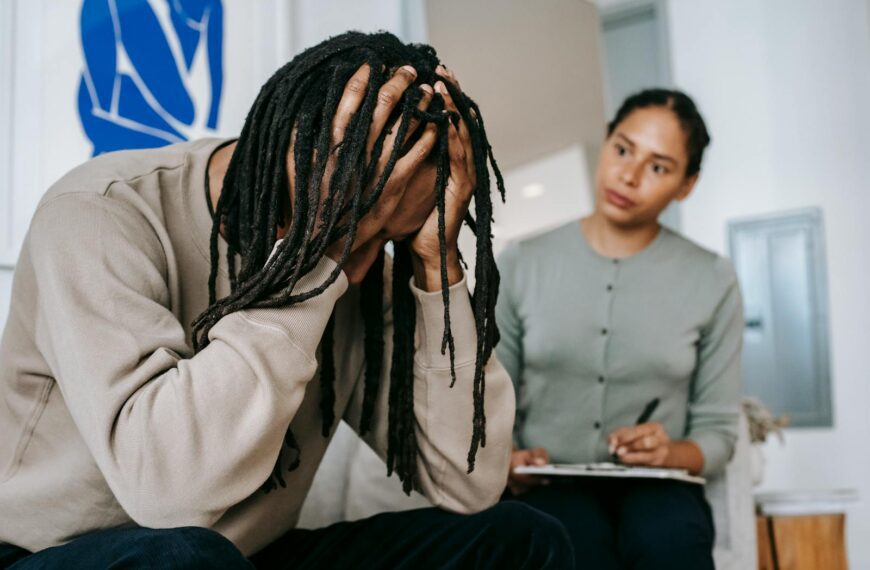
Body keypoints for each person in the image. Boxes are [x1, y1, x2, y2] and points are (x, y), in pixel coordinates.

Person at [0, 32, 572, 569]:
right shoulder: (98, 213)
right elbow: (166, 496)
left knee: (520, 538)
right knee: (185, 558)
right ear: (299, 159)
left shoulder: (366, 269)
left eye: (388, 239)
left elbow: (469, 483)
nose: (364, 265)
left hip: (246, 556)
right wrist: (320, 256)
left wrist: (436, 264)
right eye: (361, 231)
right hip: (58, 553)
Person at [497, 89, 743, 569]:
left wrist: (670, 452)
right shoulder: (521, 263)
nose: (629, 175)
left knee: (669, 539)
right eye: (623, 149)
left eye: (658, 167)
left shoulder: (713, 278)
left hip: (659, 489)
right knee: (568, 543)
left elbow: (718, 434)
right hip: (548, 484)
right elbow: (485, 401)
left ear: (686, 185)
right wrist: (506, 458)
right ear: (606, 142)